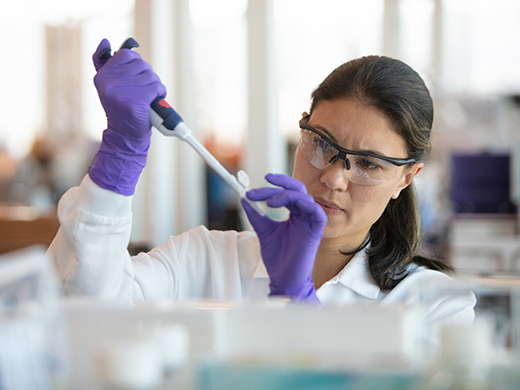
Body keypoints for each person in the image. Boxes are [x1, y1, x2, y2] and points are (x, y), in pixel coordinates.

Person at [48, 39, 475, 329]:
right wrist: (119, 159)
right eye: (320, 143)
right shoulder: (204, 260)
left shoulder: (435, 305)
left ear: (407, 177)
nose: (331, 176)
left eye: (368, 164)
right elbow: (76, 317)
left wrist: (296, 298)